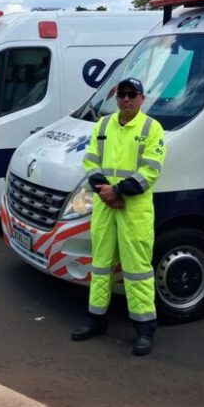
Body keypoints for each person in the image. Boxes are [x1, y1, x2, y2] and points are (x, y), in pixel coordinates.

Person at [72, 77, 167, 356]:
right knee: (100, 264)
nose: (126, 99)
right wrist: (105, 190)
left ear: (142, 99)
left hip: (133, 209)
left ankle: (145, 329)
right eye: (122, 94)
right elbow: (90, 161)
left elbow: (150, 170)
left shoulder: (152, 128)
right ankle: (96, 319)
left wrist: (118, 191)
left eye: (132, 94)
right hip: (105, 206)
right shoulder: (103, 125)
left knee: (137, 269)